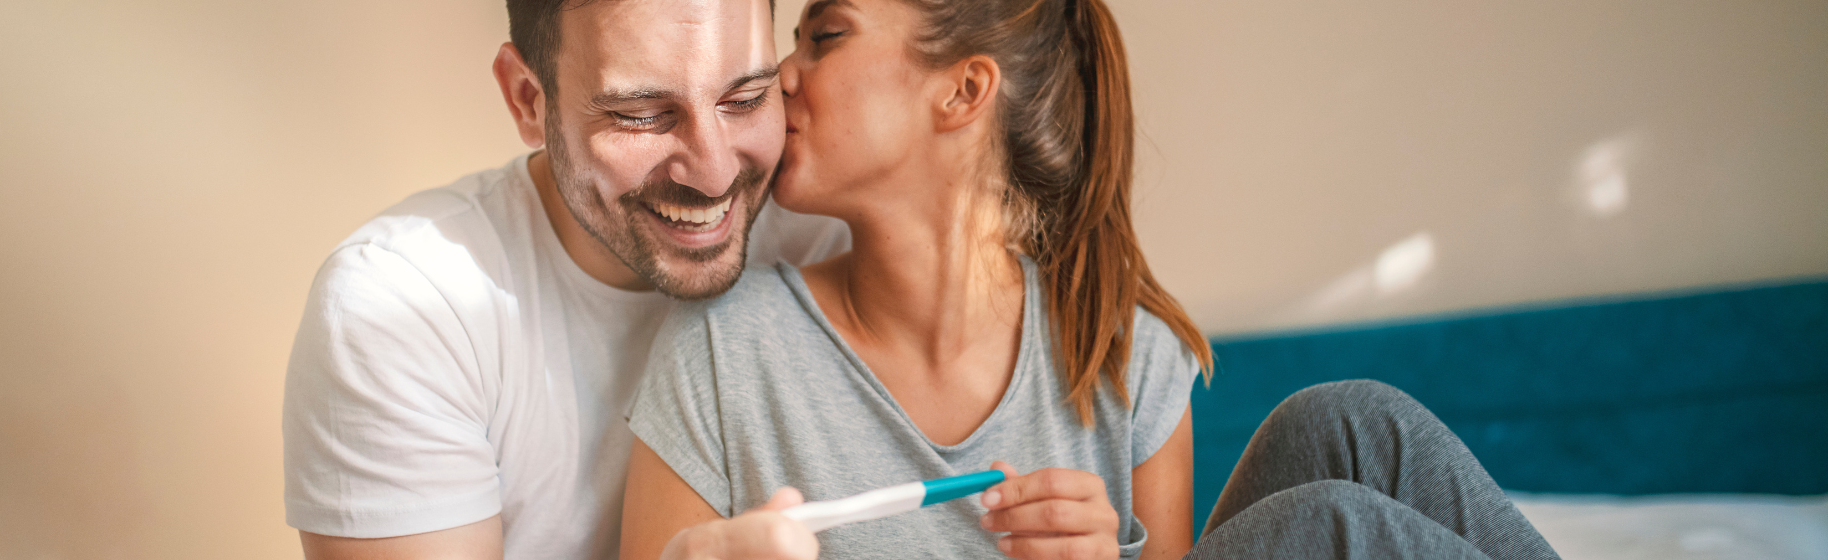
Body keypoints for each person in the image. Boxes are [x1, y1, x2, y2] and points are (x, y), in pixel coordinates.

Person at [620, 1, 1563, 559]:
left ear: (963, 91)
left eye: (825, 35)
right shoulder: (721, 351)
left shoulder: (1117, 349)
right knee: (1332, 527)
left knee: (1350, 424)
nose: (779, 76)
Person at [279, 1, 852, 558]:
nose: (714, 173)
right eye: (641, 114)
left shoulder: (832, 237)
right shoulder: (403, 308)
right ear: (527, 99)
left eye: (746, 99)